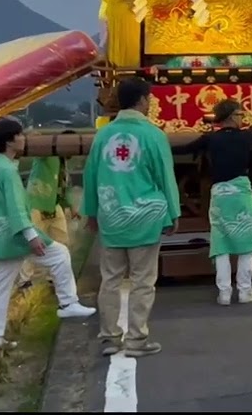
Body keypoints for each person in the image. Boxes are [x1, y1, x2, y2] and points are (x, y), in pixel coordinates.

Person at [83, 78, 181, 357]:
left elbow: (91, 176)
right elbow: (166, 177)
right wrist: (174, 212)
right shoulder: (153, 135)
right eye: (148, 99)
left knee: (110, 279)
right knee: (142, 281)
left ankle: (110, 338)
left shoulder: (102, 136)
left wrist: (91, 213)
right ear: (141, 100)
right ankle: (137, 340)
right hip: (145, 218)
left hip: (111, 217)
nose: (150, 104)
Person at [0, 118, 95, 354]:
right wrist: (31, 235)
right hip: (15, 235)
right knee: (60, 253)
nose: (24, 139)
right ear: (10, 141)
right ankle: (68, 303)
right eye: (19, 135)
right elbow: (16, 208)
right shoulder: (7, 170)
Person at [170, 99, 252, 307]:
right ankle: (245, 290)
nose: (242, 118)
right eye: (240, 115)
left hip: (220, 195)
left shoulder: (210, 139)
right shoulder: (248, 137)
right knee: (247, 244)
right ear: (231, 117)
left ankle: (224, 293)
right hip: (241, 193)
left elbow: (185, 148)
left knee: (221, 244)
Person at [19, 129, 81, 289]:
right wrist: (37, 138)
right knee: (33, 244)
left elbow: (65, 187)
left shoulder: (63, 164)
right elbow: (34, 145)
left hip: (54, 205)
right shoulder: (47, 154)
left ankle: (54, 277)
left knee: (61, 242)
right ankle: (24, 280)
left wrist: (73, 208)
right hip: (36, 204)